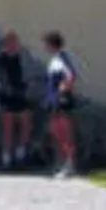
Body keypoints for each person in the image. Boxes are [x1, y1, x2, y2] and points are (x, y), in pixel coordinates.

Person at [0, 31, 33, 168]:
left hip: (21, 94)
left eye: (15, 42)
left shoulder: (22, 56)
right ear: (6, 44)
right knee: (8, 127)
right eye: (11, 42)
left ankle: (20, 154)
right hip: (6, 95)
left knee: (26, 123)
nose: (14, 45)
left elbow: (29, 71)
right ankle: (7, 157)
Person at [43, 31, 80, 178]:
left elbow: (72, 75)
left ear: (52, 44)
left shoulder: (63, 57)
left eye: (46, 44)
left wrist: (63, 89)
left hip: (61, 100)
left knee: (65, 132)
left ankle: (70, 165)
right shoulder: (54, 59)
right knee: (56, 132)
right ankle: (63, 163)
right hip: (53, 101)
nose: (45, 47)